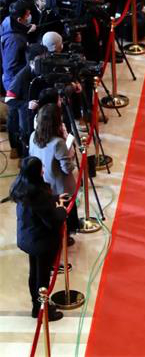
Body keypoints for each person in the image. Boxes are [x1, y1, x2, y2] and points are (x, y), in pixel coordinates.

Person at [10, 156, 67, 320]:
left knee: (34, 273)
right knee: (42, 277)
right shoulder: (37, 195)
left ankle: (37, 306)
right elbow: (53, 220)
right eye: (40, 168)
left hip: (28, 238)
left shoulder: (22, 188)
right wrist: (61, 209)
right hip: (41, 241)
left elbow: (39, 208)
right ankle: (43, 310)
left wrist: (54, 199)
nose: (43, 171)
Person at [29, 104, 78, 235]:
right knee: (66, 219)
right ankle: (67, 237)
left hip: (45, 184)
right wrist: (71, 154)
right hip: (61, 187)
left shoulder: (33, 136)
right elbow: (67, 169)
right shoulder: (58, 142)